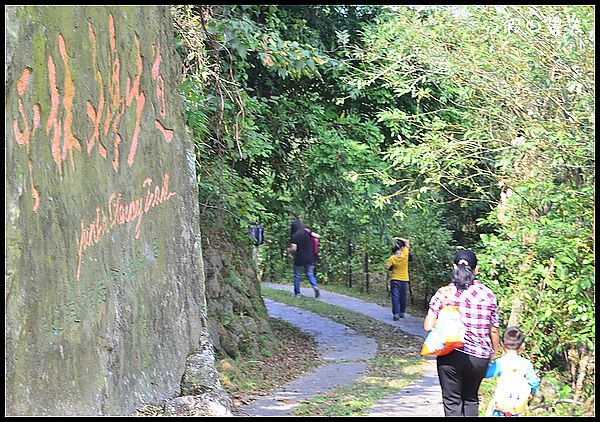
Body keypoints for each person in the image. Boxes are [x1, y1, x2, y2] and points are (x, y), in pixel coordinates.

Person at [424, 249, 500, 417]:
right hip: (480, 358)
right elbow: (493, 329)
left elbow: (428, 325)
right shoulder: (488, 294)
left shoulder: (444, 293)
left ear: (454, 267)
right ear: (476, 269)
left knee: (452, 402)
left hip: (451, 354)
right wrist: (493, 353)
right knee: (471, 398)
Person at [485, 326, 540, 417]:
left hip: (501, 407)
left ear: (502, 344)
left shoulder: (500, 363)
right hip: (517, 406)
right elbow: (534, 382)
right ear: (522, 346)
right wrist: (530, 392)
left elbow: (486, 373)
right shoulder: (526, 364)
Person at [289, 219, 320, 298]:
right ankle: (315, 287)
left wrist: (290, 251)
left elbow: (293, 249)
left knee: (297, 275)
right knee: (310, 274)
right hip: (310, 257)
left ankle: (297, 293)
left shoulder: (295, 236)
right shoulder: (306, 232)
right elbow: (317, 236)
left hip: (300, 258)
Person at [384, 237, 410, 320]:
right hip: (405, 279)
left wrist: (391, 266)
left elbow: (387, 267)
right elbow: (407, 241)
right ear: (401, 248)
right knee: (403, 296)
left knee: (395, 296)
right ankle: (402, 312)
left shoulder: (392, 258)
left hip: (395, 279)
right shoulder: (405, 254)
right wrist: (397, 238)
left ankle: (396, 314)